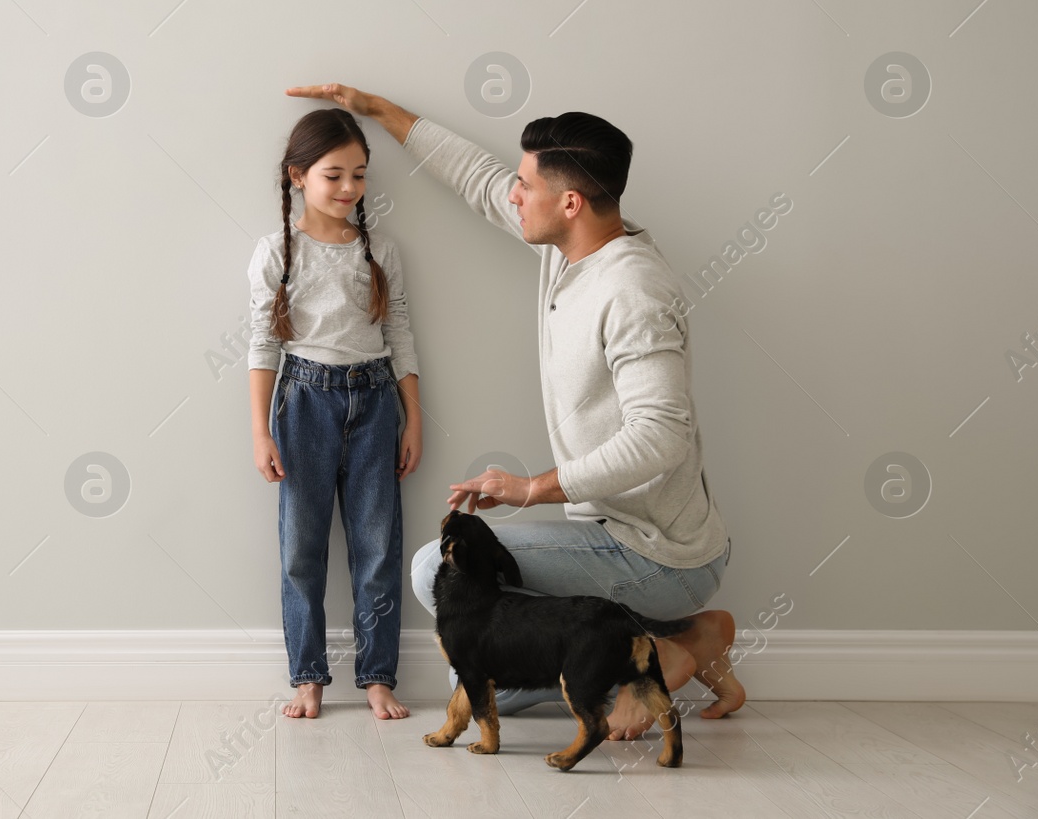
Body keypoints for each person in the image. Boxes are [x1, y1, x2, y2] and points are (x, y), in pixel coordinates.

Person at [286, 83, 746, 739]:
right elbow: (477, 179)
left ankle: (670, 651)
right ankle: (678, 637)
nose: (512, 193)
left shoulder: (633, 289)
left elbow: (660, 437)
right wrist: (378, 110)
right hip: (615, 539)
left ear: (570, 201)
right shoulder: (567, 247)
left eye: (525, 185)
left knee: (436, 575)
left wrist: (533, 488)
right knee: (471, 674)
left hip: (658, 554)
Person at [246, 107, 425, 720]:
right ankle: (308, 676)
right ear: (298, 176)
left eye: (359, 175)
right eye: (333, 175)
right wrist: (261, 431)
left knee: (377, 546)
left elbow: (399, 332)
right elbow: (262, 345)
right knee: (302, 548)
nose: (349, 188)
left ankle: (377, 675)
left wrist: (414, 418)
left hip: (375, 405)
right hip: (302, 405)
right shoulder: (276, 253)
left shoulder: (380, 251)